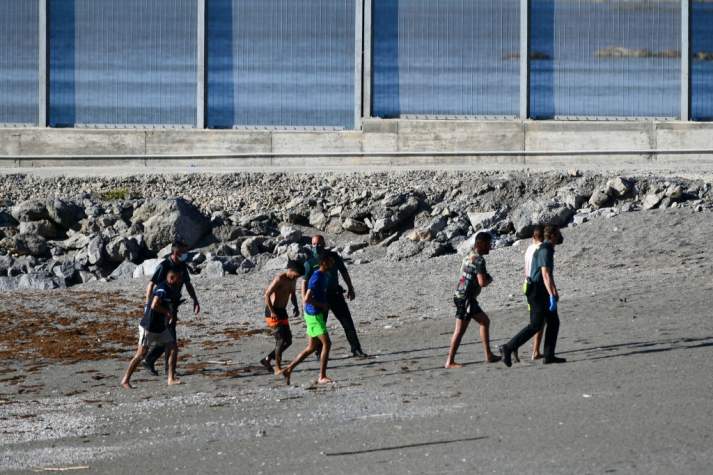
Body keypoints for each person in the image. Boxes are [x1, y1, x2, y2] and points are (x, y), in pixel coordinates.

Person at [500, 225, 566, 367]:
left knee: (553, 322)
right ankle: (508, 347)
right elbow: (545, 274)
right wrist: (552, 294)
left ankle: (549, 355)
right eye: (558, 233)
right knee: (536, 325)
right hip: (537, 291)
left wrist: (554, 291)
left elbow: (548, 274)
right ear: (553, 235)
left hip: (539, 289)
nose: (560, 236)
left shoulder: (545, 249)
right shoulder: (545, 250)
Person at [142, 240, 200, 376]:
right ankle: (164, 368)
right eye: (184, 252)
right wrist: (147, 305)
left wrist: (195, 300)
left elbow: (188, 284)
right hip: (161, 306)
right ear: (176, 252)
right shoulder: (164, 266)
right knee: (169, 338)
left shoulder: (182, 266)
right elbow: (151, 285)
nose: (186, 255)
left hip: (173, 305)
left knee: (167, 336)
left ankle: (153, 361)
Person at [303, 235, 367, 358]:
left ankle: (356, 349)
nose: (316, 247)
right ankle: (318, 351)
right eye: (314, 244)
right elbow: (305, 282)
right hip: (320, 297)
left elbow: (344, 271)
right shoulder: (310, 263)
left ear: (324, 243)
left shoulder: (333, 257)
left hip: (335, 294)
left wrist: (350, 288)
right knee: (320, 325)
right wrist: (305, 301)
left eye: (319, 244)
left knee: (347, 322)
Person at [445, 231, 501, 368]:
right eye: (488, 244)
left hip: (459, 295)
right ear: (480, 244)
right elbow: (482, 282)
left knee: (481, 323)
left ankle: (488, 355)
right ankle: (450, 361)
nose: (490, 247)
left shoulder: (468, 256)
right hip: (467, 299)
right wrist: (489, 280)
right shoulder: (480, 260)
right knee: (466, 328)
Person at [121, 270, 183, 388]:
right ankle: (125, 380)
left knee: (173, 347)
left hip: (160, 327)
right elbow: (154, 305)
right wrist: (168, 313)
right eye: (178, 279)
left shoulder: (171, 289)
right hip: (148, 327)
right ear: (171, 278)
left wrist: (170, 315)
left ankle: (170, 378)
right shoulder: (162, 289)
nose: (180, 282)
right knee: (141, 354)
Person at [280, 254, 335, 385]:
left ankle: (289, 369)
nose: (333, 263)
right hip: (314, 314)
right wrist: (322, 305)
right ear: (324, 263)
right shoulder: (316, 277)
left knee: (311, 347)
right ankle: (322, 376)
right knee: (327, 344)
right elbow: (306, 298)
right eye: (330, 261)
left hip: (312, 314)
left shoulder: (323, 275)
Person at [259, 260, 302, 375]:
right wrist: (272, 311)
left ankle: (267, 360)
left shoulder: (293, 279)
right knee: (280, 340)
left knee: (288, 341)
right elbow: (267, 295)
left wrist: (296, 307)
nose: (297, 277)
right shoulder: (279, 279)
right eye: (296, 274)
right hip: (272, 312)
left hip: (282, 311)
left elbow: (292, 294)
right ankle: (277, 368)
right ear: (291, 270)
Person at [516, 225, 545, 363]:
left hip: (526, 285)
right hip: (536, 286)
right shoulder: (540, 250)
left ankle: (534, 350)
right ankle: (534, 350)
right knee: (538, 321)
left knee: (535, 320)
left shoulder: (528, 248)